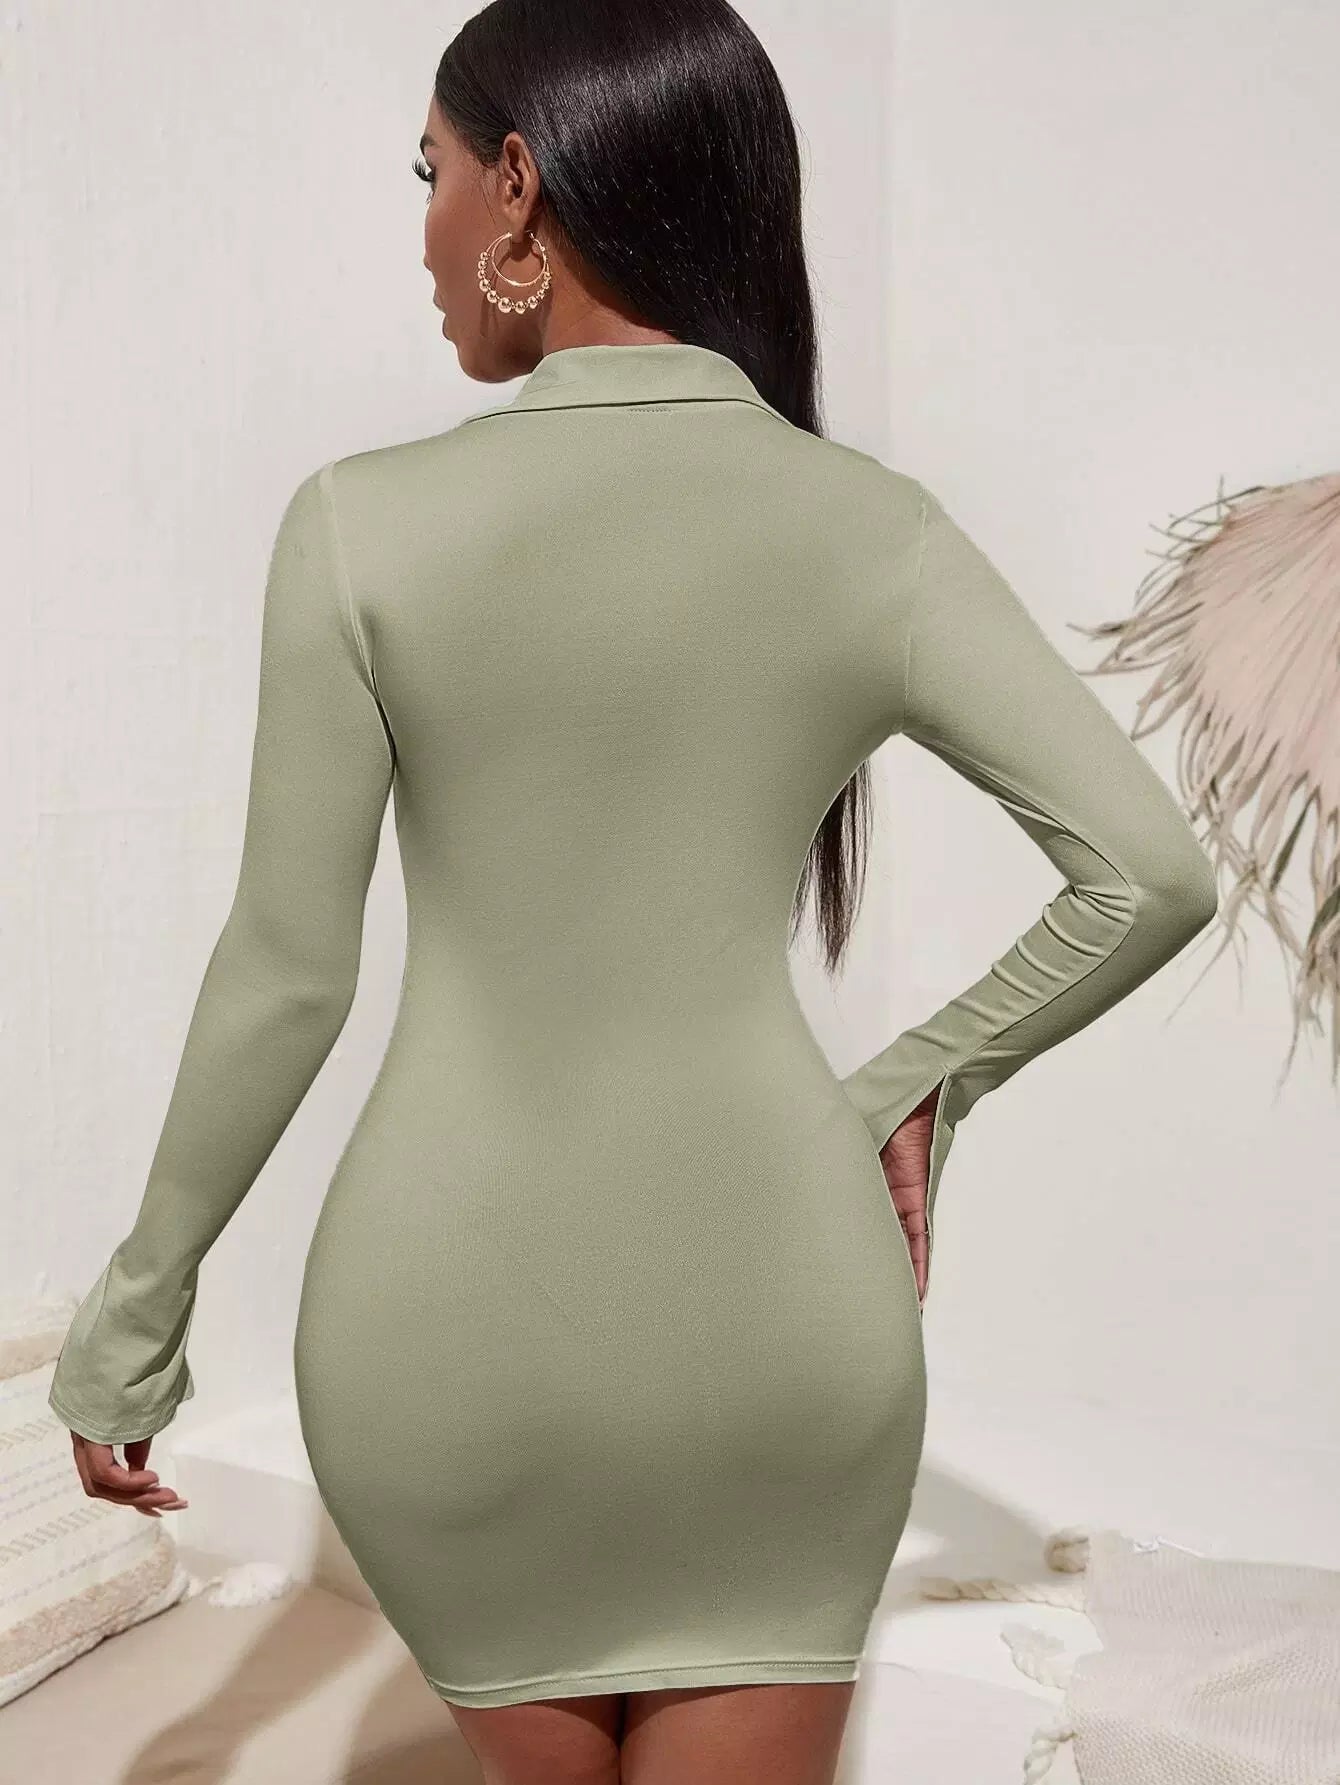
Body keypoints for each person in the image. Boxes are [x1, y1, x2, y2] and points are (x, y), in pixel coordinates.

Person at [46, 3, 1219, 1781]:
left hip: (449, 1351)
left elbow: (289, 973)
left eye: (431, 174)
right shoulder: (871, 528)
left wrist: (134, 1321)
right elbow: (1149, 871)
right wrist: (927, 1080)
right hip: (782, 1339)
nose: (423, 230)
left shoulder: (359, 525)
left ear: (519, 188)